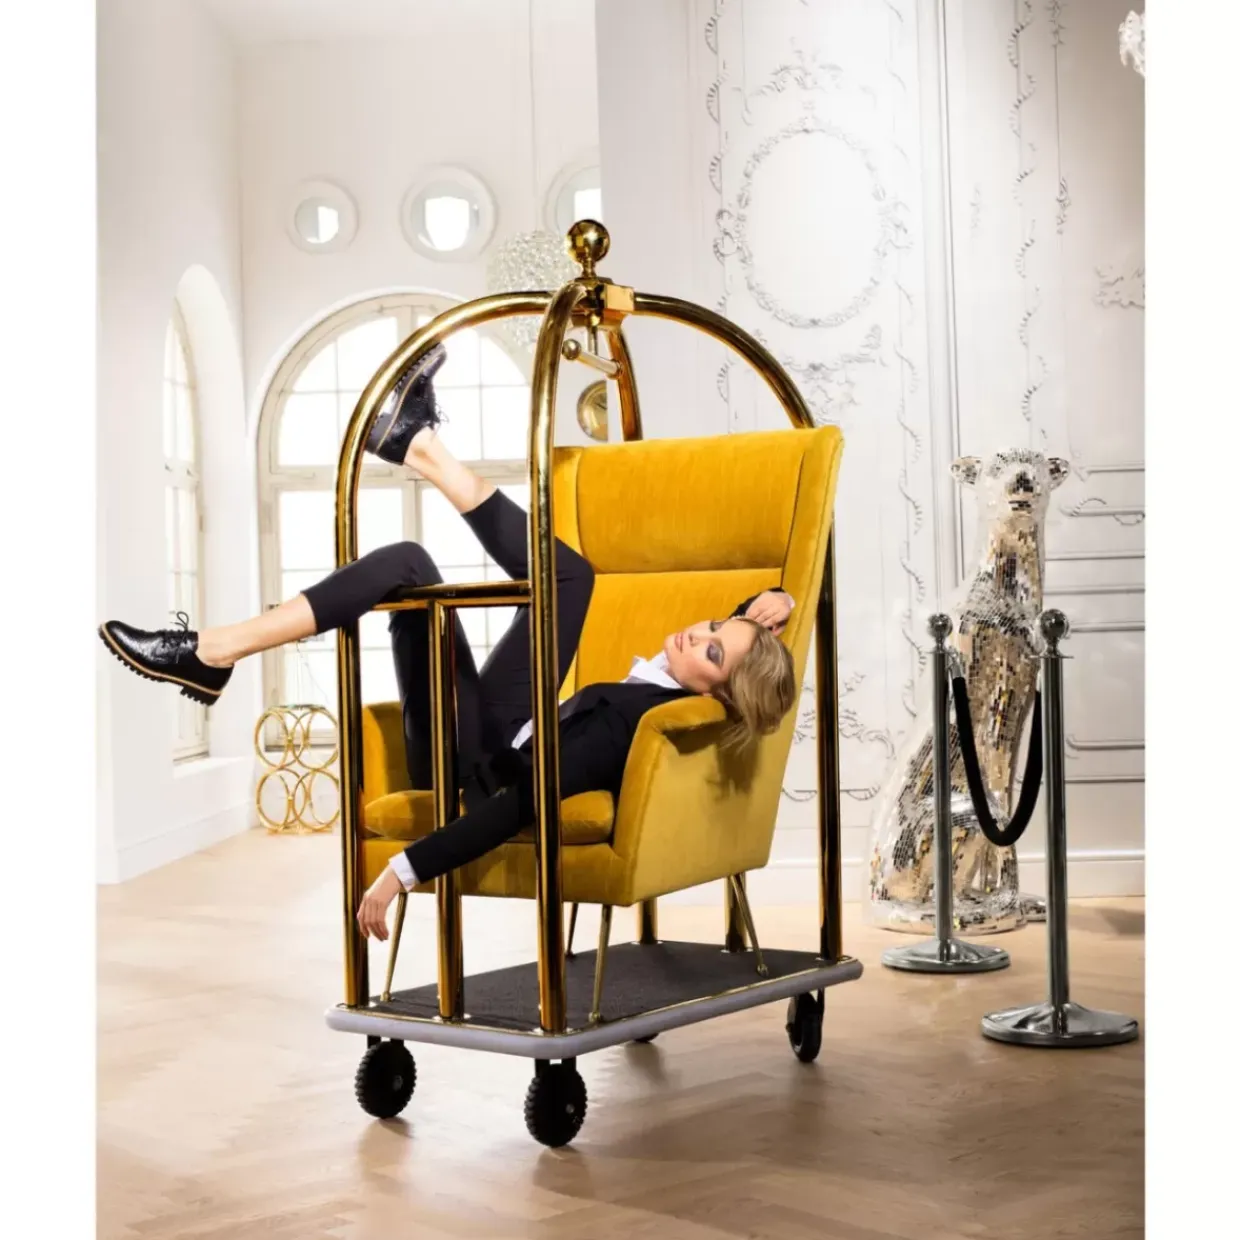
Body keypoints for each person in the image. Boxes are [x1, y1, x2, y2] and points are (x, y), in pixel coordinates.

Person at [99, 345, 799, 941]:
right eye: (714, 624)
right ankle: (418, 445)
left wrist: (402, 872)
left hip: (471, 766)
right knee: (572, 576)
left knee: (410, 563)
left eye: (711, 650)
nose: (698, 633)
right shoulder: (681, 676)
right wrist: (775, 603)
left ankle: (214, 652)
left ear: (717, 692)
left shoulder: (630, 726)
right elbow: (738, 648)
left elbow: (517, 807)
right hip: (509, 728)